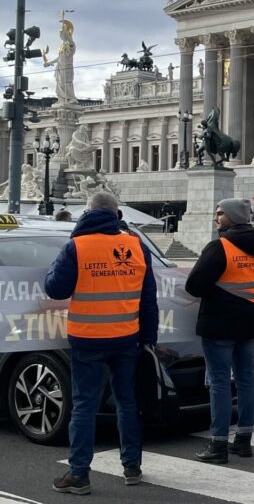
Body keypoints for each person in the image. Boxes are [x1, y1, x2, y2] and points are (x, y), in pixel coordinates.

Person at [44, 190, 158, 494]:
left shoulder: (77, 246)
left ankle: (79, 474)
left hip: (88, 339)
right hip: (126, 338)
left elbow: (55, 289)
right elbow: (149, 299)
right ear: (116, 213)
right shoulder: (136, 245)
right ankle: (132, 467)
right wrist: (149, 338)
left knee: (84, 406)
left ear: (87, 212)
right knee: (127, 403)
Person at [186, 199, 254, 464]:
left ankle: (219, 444)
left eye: (220, 213)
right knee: (246, 379)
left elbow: (194, 285)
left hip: (219, 324)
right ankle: (243, 440)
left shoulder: (219, 248)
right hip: (248, 324)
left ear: (233, 217)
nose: (216, 218)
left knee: (219, 382)